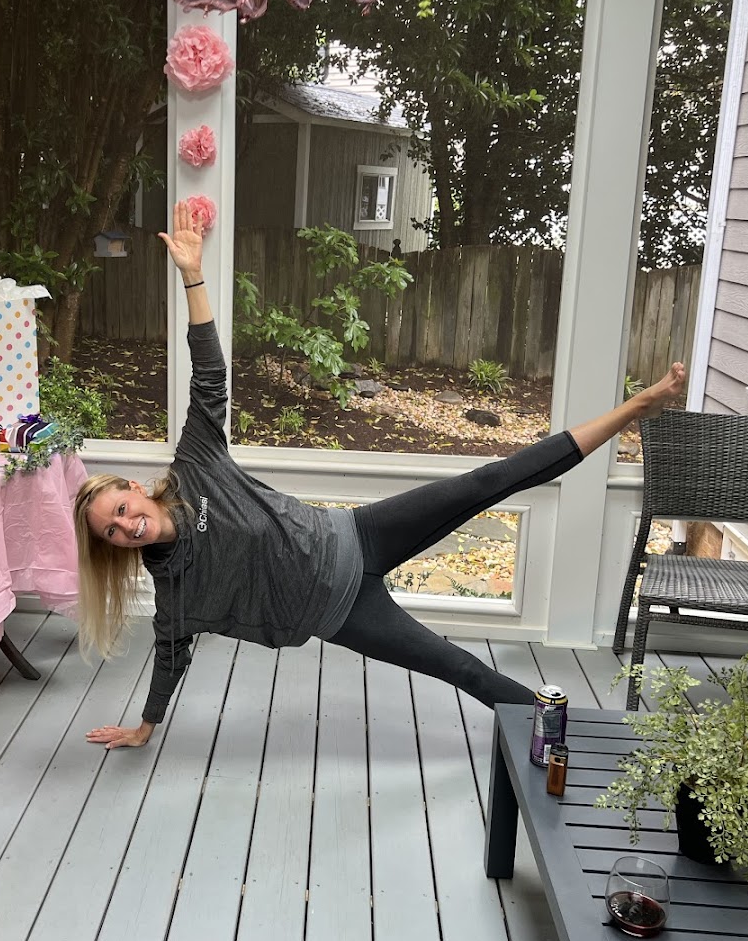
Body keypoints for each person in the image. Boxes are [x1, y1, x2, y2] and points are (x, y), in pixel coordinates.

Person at [76, 202, 686, 749]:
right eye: (112, 532)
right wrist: (145, 727)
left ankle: (634, 408)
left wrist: (192, 276)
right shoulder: (176, 596)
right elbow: (170, 657)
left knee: (491, 480)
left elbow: (209, 372)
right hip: (342, 615)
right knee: (460, 669)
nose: (126, 527)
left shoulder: (196, 468)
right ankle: (582, 737)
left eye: (120, 510)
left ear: (135, 488)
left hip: (357, 534)